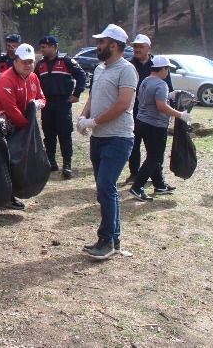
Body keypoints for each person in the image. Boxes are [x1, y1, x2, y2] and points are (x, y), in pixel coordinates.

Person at [76, 23, 138, 260]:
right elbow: (92, 96)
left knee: (106, 186)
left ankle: (107, 240)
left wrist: (94, 122)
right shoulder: (101, 69)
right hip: (99, 139)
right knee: (104, 190)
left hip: (118, 138)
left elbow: (123, 105)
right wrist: (83, 116)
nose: (97, 45)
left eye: (101, 42)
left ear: (114, 45)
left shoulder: (127, 70)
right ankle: (113, 240)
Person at [0, 43, 46, 213]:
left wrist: (37, 104)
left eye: (31, 62)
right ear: (15, 61)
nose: (28, 65)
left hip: (22, 127)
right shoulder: (5, 79)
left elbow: (42, 98)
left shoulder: (33, 78)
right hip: (4, 127)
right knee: (1, 164)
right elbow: (11, 110)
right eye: (24, 61)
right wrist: (27, 127)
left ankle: (10, 195)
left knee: (17, 164)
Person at [129, 55, 189, 201]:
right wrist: (180, 115)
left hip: (142, 121)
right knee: (154, 157)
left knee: (152, 154)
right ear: (163, 69)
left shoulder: (145, 81)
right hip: (155, 125)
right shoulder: (161, 84)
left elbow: (150, 99)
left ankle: (159, 184)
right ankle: (137, 187)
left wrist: (168, 96)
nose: (167, 72)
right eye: (167, 69)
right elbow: (161, 106)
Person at [124, 34, 174, 185]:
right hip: (133, 110)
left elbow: (168, 88)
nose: (137, 50)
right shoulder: (129, 65)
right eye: (135, 47)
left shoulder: (159, 65)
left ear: (148, 48)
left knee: (155, 148)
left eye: (140, 47)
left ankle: (157, 177)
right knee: (134, 144)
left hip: (155, 113)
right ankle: (134, 173)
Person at [35, 35, 87, 178]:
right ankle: (51, 162)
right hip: (47, 104)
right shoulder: (40, 65)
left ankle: (67, 164)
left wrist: (76, 94)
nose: (42, 50)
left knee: (64, 134)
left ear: (53, 47)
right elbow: (33, 82)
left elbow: (82, 76)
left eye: (44, 47)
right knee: (49, 133)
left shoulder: (66, 61)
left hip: (63, 103)